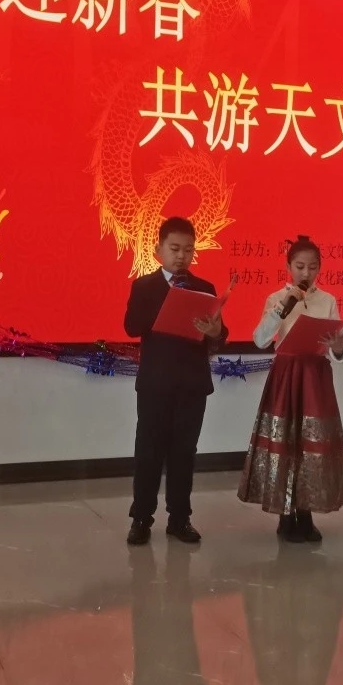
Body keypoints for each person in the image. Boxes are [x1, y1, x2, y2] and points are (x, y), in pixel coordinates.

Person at [237, 237, 343, 543]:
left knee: (310, 447)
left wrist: (338, 346)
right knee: (285, 443)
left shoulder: (327, 300)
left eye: (313, 267)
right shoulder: (277, 298)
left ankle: (306, 513)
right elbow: (260, 340)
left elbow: (337, 352)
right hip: (286, 376)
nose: (306, 273)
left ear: (320, 268)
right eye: (300, 266)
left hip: (315, 377)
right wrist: (282, 308)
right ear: (289, 266)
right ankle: (284, 515)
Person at [123, 217, 228, 545]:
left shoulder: (205, 288)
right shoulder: (144, 286)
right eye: (175, 249)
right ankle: (141, 518)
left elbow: (219, 335)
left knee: (184, 453)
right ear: (158, 250)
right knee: (149, 452)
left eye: (188, 250)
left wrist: (215, 331)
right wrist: (166, 306)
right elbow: (131, 326)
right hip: (155, 384)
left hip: (192, 384)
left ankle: (180, 518)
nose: (182, 256)